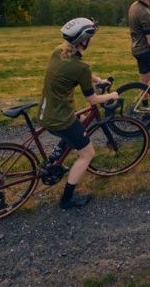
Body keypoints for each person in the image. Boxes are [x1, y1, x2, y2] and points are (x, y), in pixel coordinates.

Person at [39, 17, 119, 209]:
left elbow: (80, 74)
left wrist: (98, 80)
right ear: (84, 40)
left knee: (81, 120)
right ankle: (67, 199)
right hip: (60, 118)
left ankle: (56, 159)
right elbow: (92, 100)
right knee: (87, 154)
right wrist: (112, 95)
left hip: (46, 111)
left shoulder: (57, 53)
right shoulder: (81, 67)